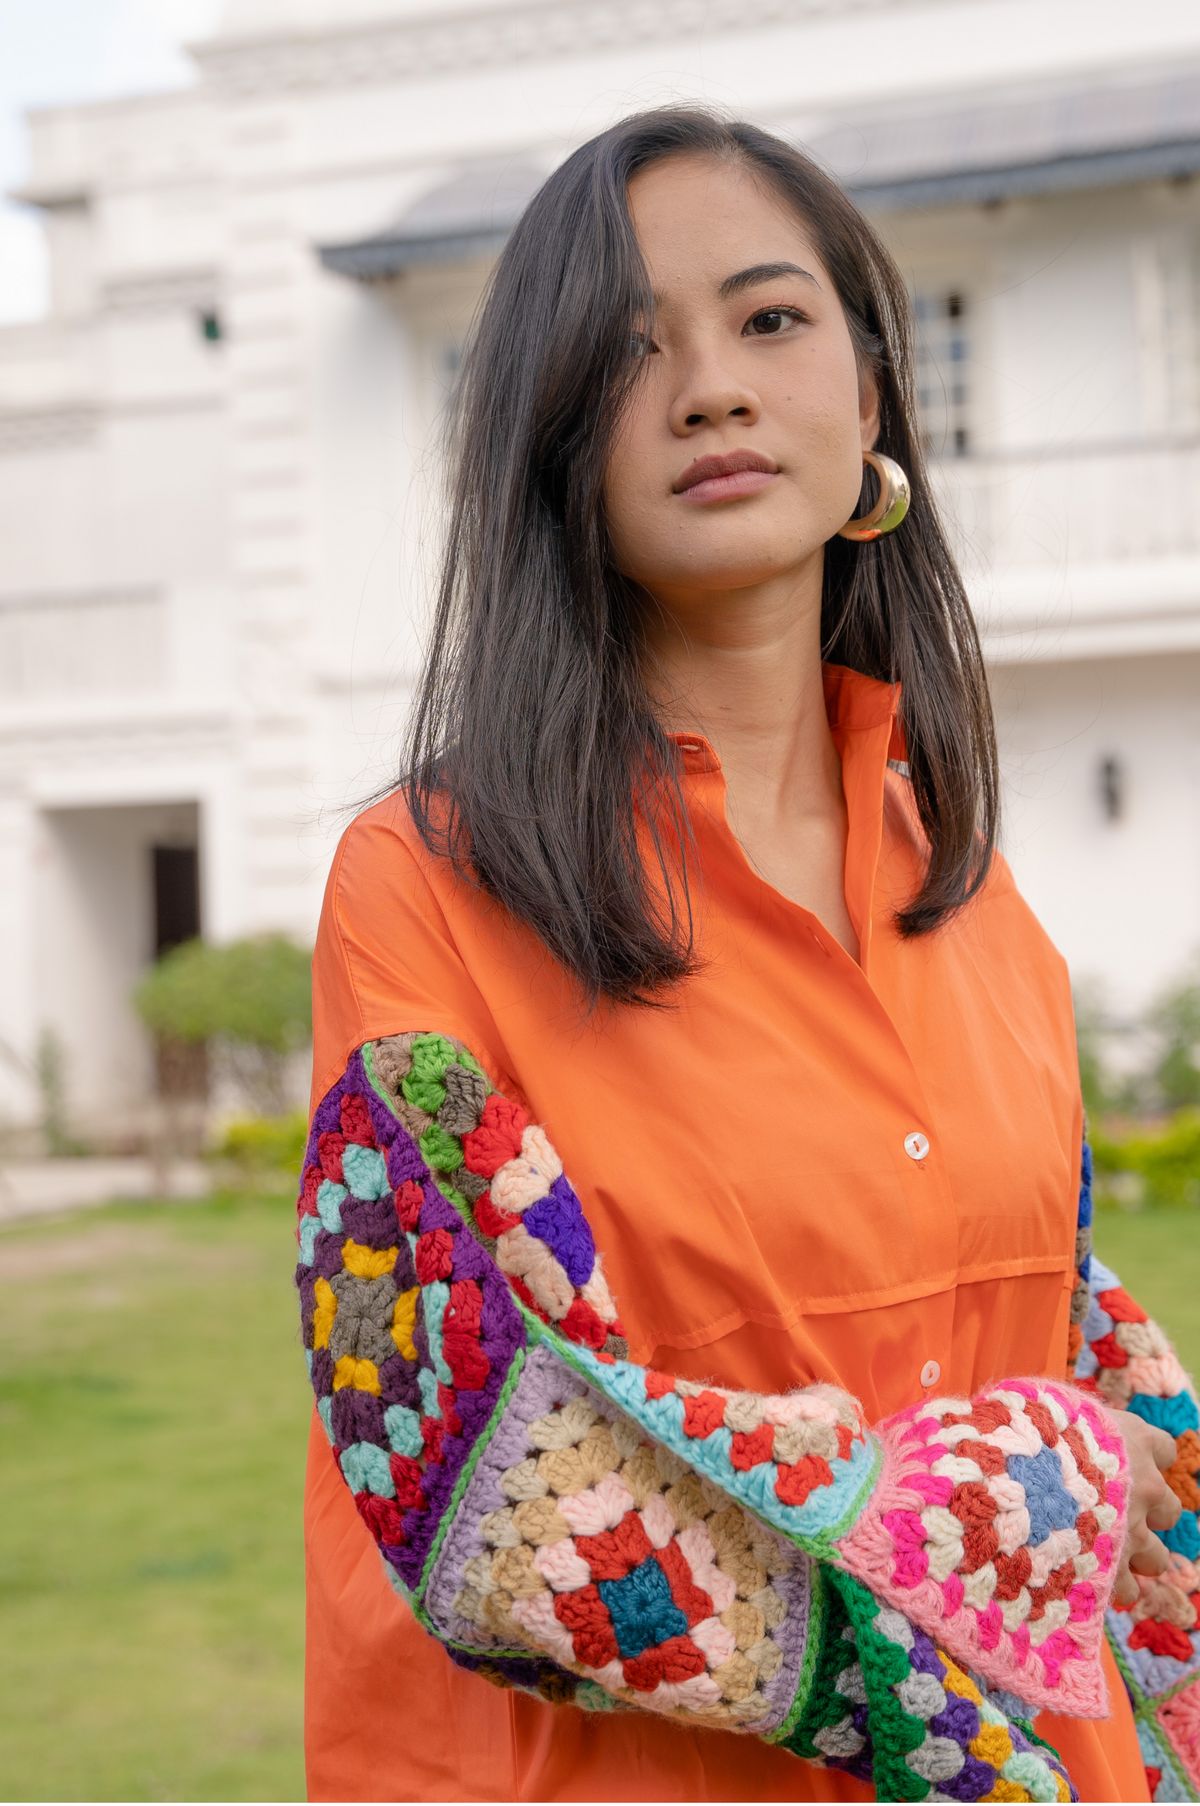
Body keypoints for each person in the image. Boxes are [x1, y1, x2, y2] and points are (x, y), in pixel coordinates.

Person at [298, 110, 1197, 1803]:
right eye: (631, 350)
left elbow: (1065, 1339)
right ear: (553, 439)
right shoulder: (426, 888)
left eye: (770, 320)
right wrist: (1031, 1478)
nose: (710, 385)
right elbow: (474, 1473)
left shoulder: (986, 914)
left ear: (871, 395)